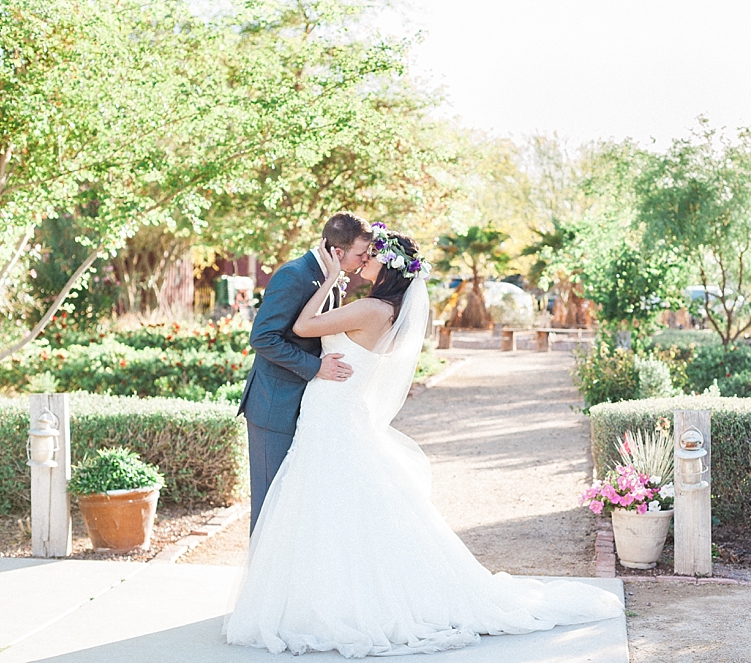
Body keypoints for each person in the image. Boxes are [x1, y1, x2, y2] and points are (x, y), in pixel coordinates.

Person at [224, 223, 623, 658]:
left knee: (321, 508)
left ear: (388, 268)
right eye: (361, 252)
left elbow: (304, 328)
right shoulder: (369, 303)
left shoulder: (371, 308)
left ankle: (312, 601)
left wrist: (334, 284)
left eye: (371, 255)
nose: (363, 260)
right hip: (319, 412)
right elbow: (270, 336)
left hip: (332, 414)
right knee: (317, 508)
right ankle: (298, 595)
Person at [237, 211, 373, 532]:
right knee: (271, 505)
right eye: (360, 253)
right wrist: (316, 368)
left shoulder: (331, 276)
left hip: (306, 409)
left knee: (293, 508)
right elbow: (263, 337)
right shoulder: (294, 275)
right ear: (337, 253)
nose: (365, 259)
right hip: (275, 407)